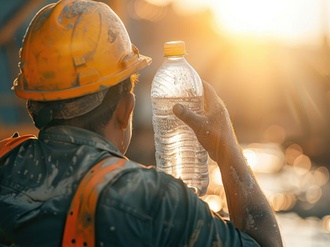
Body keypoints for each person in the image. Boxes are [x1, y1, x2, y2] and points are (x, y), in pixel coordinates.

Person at [0, 0, 283, 246]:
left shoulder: (5, 165)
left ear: (32, 103)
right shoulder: (155, 201)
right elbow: (265, 243)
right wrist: (226, 146)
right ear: (126, 109)